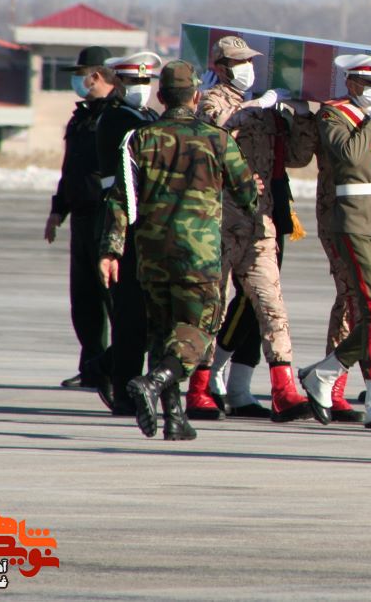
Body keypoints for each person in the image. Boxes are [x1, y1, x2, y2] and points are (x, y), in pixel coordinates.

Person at [98, 60, 259, 441]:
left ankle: (174, 418)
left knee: (162, 333)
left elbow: (121, 199)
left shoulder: (139, 139)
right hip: (197, 253)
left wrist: (111, 250)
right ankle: (155, 381)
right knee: (199, 331)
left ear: (161, 96)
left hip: (152, 253)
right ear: (196, 96)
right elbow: (246, 194)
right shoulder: (218, 139)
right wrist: (252, 189)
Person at [194, 36, 311, 423]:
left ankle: (284, 388)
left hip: (261, 222)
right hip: (222, 221)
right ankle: (199, 388)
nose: (248, 68)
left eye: (251, 61)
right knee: (212, 306)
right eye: (240, 62)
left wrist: (301, 115)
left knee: (271, 304)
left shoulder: (264, 110)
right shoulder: (212, 101)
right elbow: (216, 131)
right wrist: (254, 106)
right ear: (223, 66)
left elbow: (296, 156)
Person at [297, 53, 371, 430]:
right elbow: (348, 156)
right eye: (368, 84)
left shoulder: (370, 121)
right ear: (351, 83)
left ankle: (325, 373)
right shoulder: (333, 115)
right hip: (354, 220)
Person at [91, 51, 162, 414]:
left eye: (146, 82)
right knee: (131, 313)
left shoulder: (144, 116)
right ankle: (122, 389)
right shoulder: (118, 119)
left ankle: (107, 367)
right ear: (118, 83)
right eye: (134, 82)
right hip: (124, 219)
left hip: (144, 220)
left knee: (146, 315)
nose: (141, 88)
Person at [45, 45, 115, 391]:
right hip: (82, 217)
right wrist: (58, 209)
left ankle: (120, 366)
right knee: (84, 299)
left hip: (109, 217)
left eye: (79, 75)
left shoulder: (118, 116)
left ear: (96, 76)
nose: (76, 81)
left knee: (114, 299)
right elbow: (71, 168)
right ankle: (92, 367)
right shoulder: (81, 117)